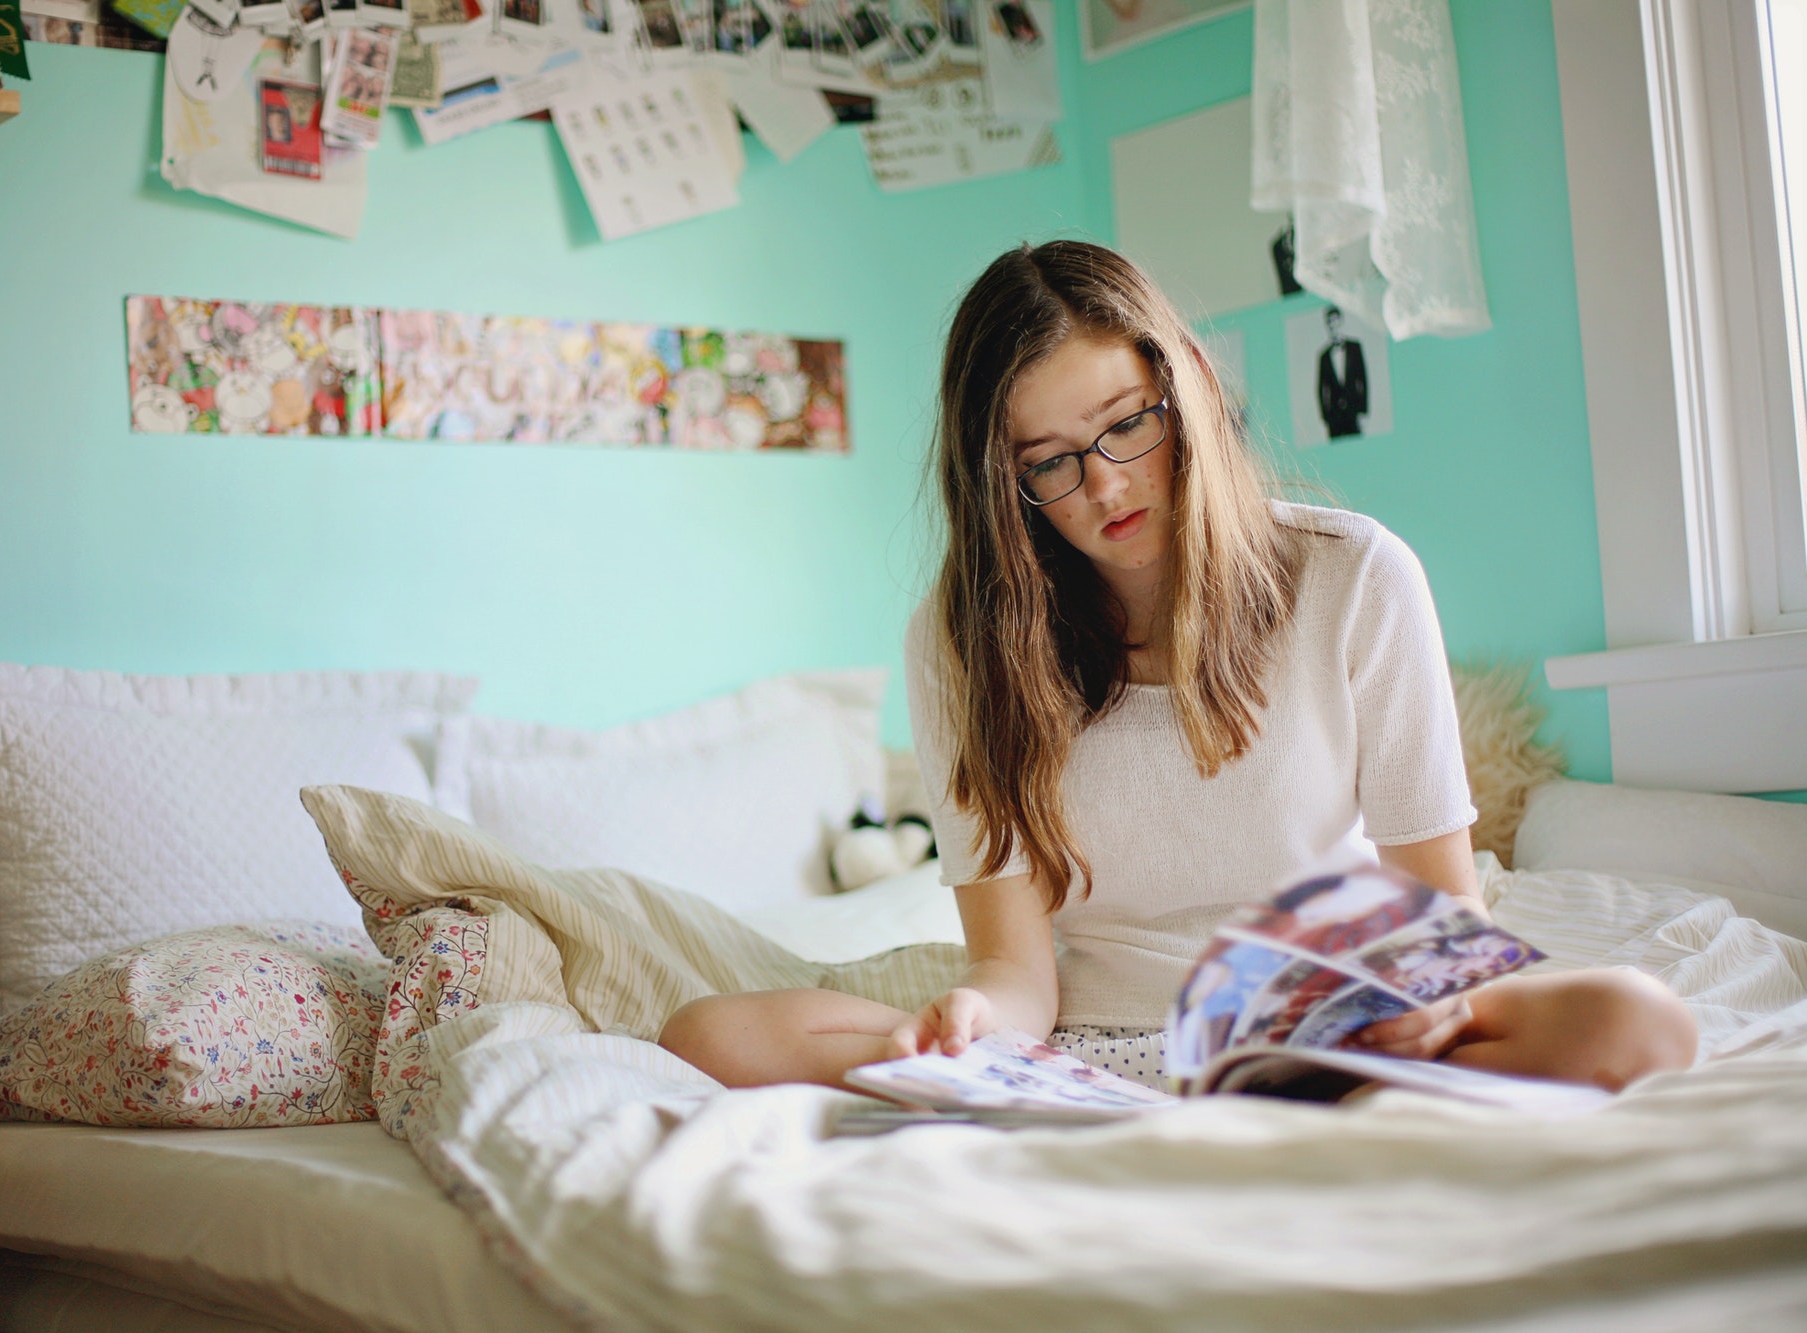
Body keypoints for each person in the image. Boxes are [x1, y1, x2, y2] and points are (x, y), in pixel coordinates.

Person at [658, 240, 1697, 1097]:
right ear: (1000, 483)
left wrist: (1415, 1005)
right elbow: (1017, 971)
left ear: (1185, 386)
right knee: (709, 1035)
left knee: (1636, 1020)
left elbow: (1445, 913)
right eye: (1050, 463)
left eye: (1125, 425)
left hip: (1328, 1029)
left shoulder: (1354, 575)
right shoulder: (960, 640)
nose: (1105, 484)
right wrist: (975, 1017)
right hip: (1094, 1050)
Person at [1317, 306, 1367, 438]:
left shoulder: (1355, 347)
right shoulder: (1324, 356)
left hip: (1354, 413)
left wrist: (1362, 410)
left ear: (1341, 323)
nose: (1333, 327)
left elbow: (1363, 379)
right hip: (1335, 418)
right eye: (1330, 323)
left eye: (1335, 322)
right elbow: (1321, 388)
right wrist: (1326, 417)